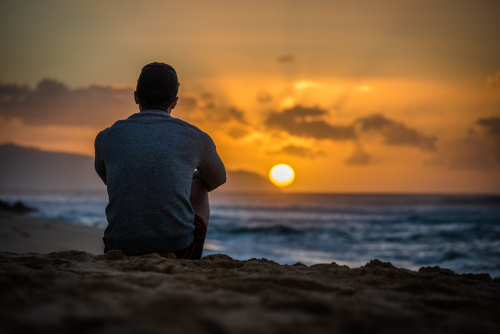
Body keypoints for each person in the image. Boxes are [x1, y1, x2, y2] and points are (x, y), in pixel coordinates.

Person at [94, 62, 226, 260]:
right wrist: (188, 176)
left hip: (118, 249)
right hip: (178, 252)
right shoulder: (195, 137)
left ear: (136, 96)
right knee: (198, 185)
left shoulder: (106, 137)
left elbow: (108, 178)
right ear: (174, 101)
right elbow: (217, 179)